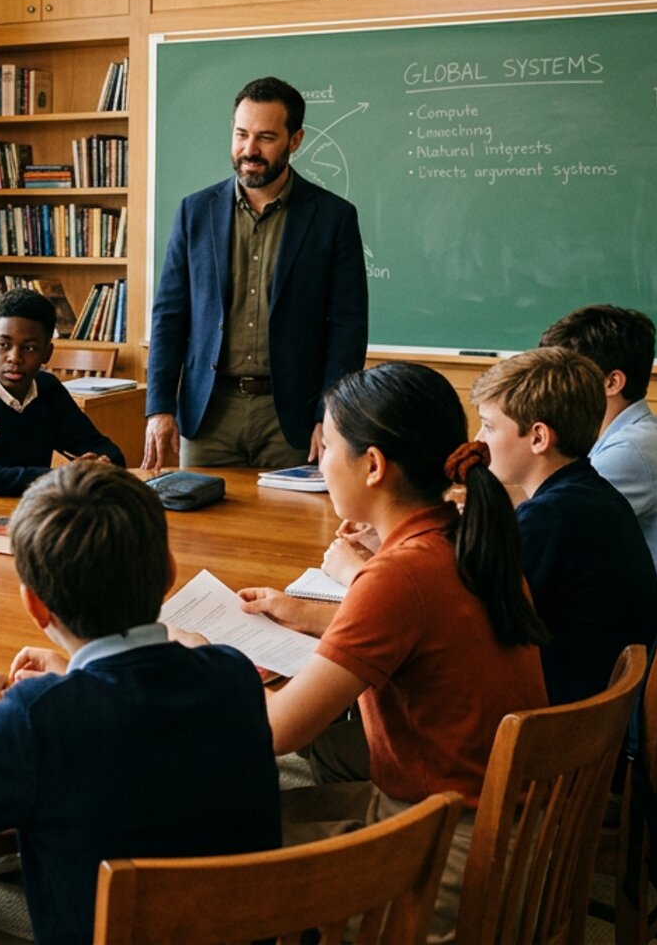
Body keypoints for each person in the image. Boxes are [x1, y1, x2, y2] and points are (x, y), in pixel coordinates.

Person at [0, 464, 280, 945]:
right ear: (169, 572)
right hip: (237, 935)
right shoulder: (232, 674)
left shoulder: (39, 716)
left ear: (35, 606)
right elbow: (139, 720)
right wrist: (74, 679)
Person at [218, 362, 548, 942]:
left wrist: (202, 656)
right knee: (248, 819)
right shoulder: (467, 536)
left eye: (326, 445)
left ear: (372, 466)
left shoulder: (400, 577)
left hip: (445, 852)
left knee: (213, 859)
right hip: (504, 834)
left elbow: (275, 732)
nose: (318, 461)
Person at [143, 76, 367, 470]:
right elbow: (169, 317)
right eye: (241, 134)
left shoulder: (333, 218)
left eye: (265, 137)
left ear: (294, 140)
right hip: (208, 413)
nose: (249, 150)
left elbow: (347, 328)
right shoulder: (194, 213)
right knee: (198, 531)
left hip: (293, 420)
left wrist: (330, 417)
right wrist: (160, 407)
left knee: (291, 529)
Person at [470, 348, 657, 706]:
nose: (478, 440)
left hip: (562, 735)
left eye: (489, 426)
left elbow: (464, 622)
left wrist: (363, 568)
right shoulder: (593, 494)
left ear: (539, 437)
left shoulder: (550, 518)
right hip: (601, 722)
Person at [539, 304, 657, 603]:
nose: (549, 389)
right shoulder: (644, 432)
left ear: (611, 382)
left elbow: (550, 537)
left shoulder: (628, 452)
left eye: (565, 375)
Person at [0, 287, 123, 505]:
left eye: (29, 348)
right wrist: (58, 477)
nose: (14, 357)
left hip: (23, 513)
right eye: (4, 345)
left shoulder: (48, 389)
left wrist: (103, 463)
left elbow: (106, 449)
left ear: (47, 352)